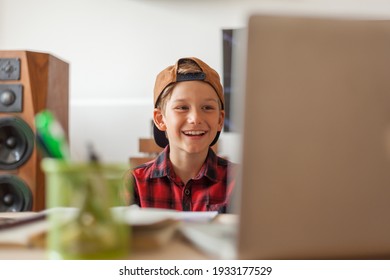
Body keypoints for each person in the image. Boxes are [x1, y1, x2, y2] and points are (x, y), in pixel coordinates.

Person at [127, 57, 236, 213]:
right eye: (182, 107)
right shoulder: (135, 183)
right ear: (160, 119)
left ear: (220, 120)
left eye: (207, 107)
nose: (195, 119)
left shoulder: (241, 183)